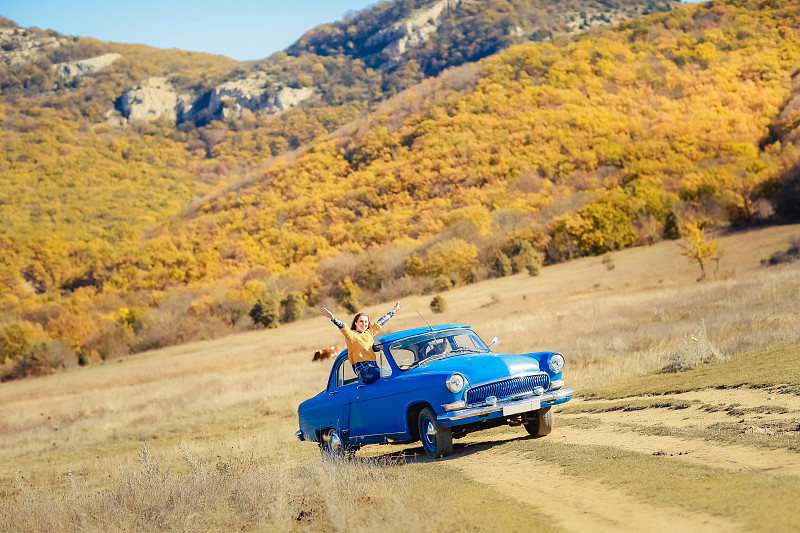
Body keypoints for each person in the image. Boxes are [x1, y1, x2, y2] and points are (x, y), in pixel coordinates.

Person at [320, 301, 401, 384]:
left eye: (366, 322)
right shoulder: (351, 335)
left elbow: (380, 322)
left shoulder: (369, 333)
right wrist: (332, 318)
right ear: (356, 323)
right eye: (361, 321)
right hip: (364, 371)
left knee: (391, 373)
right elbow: (343, 327)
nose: (364, 324)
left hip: (374, 367)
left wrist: (394, 311)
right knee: (392, 374)